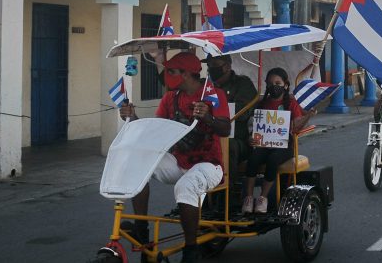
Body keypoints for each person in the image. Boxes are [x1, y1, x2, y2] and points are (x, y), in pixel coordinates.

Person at [118, 52, 230, 263]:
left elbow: (225, 129)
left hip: (209, 165)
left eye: (171, 71)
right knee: (139, 163)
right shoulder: (170, 98)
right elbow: (155, 130)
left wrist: (209, 117)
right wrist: (131, 118)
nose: (167, 75)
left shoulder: (213, 94)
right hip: (178, 162)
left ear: (187, 74)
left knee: (185, 187)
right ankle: (142, 231)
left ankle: (191, 249)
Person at [242, 66, 316, 214]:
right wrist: (251, 138)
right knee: (253, 159)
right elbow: (254, 127)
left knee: (273, 160)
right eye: (270, 83)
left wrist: (308, 116)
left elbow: (296, 127)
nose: (274, 87)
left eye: (278, 83)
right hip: (264, 144)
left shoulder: (291, 104)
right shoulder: (262, 103)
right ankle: (249, 198)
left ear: (285, 85)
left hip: (285, 145)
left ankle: (263, 198)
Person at [203, 55, 257, 185]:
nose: (211, 69)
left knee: (227, 146)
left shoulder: (243, 84)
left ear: (226, 66)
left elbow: (242, 113)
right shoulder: (206, 86)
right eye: (209, 65)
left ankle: (228, 196)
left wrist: (215, 110)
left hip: (240, 140)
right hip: (210, 135)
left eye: (214, 65)